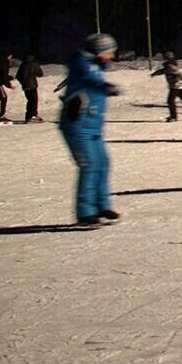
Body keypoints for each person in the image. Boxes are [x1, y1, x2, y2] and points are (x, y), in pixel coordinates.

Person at [59, 33, 121, 227]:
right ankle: (85, 213)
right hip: (77, 127)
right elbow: (88, 79)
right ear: (99, 50)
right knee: (90, 166)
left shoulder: (94, 66)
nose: (112, 56)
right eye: (110, 52)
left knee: (102, 163)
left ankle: (101, 206)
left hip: (92, 127)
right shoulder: (82, 65)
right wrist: (104, 86)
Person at [15, 53, 44, 122]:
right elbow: (40, 74)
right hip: (32, 85)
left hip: (25, 86)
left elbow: (18, 76)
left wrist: (23, 83)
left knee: (30, 100)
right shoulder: (34, 64)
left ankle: (29, 116)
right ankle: (32, 115)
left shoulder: (23, 64)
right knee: (34, 100)